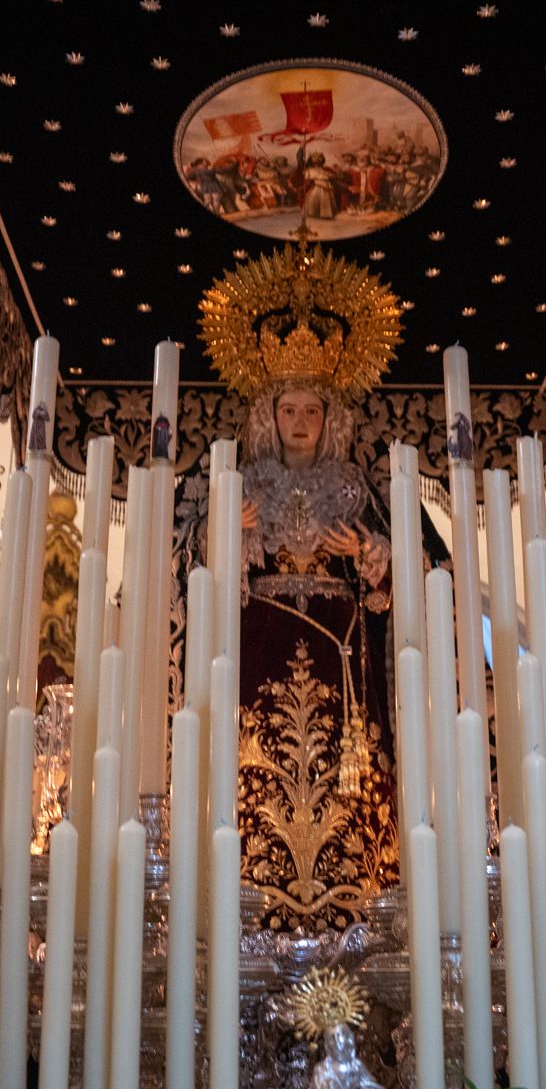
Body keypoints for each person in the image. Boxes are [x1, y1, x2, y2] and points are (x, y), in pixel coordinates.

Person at [200, 382, 447, 931]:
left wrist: (368, 553)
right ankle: (253, 903)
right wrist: (225, 537)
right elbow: (197, 577)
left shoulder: (355, 488)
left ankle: (356, 903)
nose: (300, 420)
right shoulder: (244, 487)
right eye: (288, 408)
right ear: (270, 416)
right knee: (262, 766)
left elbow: (414, 570)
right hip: (261, 648)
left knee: (345, 775)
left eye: (312, 410)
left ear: (329, 419)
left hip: (341, 656)